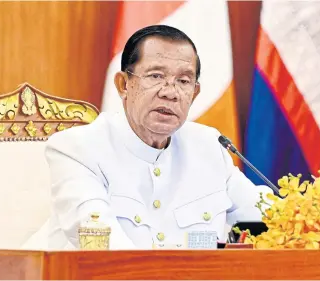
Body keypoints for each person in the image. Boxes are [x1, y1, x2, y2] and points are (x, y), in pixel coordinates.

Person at [45, 25, 270, 250]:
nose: (170, 92)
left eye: (183, 81)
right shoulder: (77, 149)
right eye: (156, 76)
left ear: (194, 94)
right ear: (124, 85)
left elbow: (264, 220)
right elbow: (102, 246)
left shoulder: (209, 146)